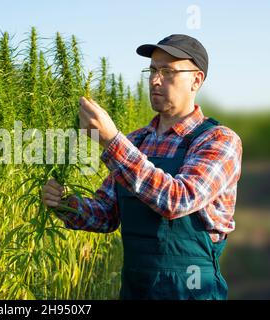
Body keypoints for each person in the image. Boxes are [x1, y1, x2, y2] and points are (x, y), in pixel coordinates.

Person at [41, 34, 242, 300]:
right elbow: (106, 214)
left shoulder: (218, 140)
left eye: (168, 71)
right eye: (153, 70)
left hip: (192, 291)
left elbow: (177, 200)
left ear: (196, 80)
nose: (156, 80)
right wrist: (64, 203)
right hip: (136, 290)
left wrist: (112, 141)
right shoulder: (135, 142)